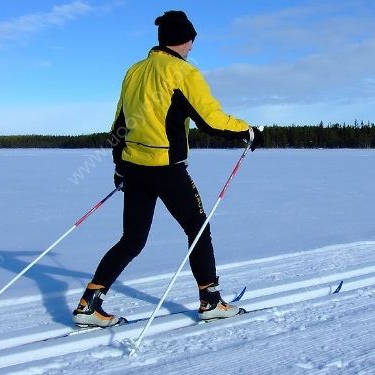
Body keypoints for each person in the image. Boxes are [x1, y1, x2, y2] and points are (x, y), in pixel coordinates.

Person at [73, 10, 264, 328]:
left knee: (132, 239)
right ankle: (211, 301)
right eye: (191, 42)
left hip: (134, 166)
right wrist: (249, 131)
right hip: (167, 169)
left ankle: (88, 304)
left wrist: (119, 164)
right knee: (197, 228)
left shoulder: (134, 71)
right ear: (185, 40)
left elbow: (120, 123)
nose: (191, 48)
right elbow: (210, 121)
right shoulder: (184, 73)